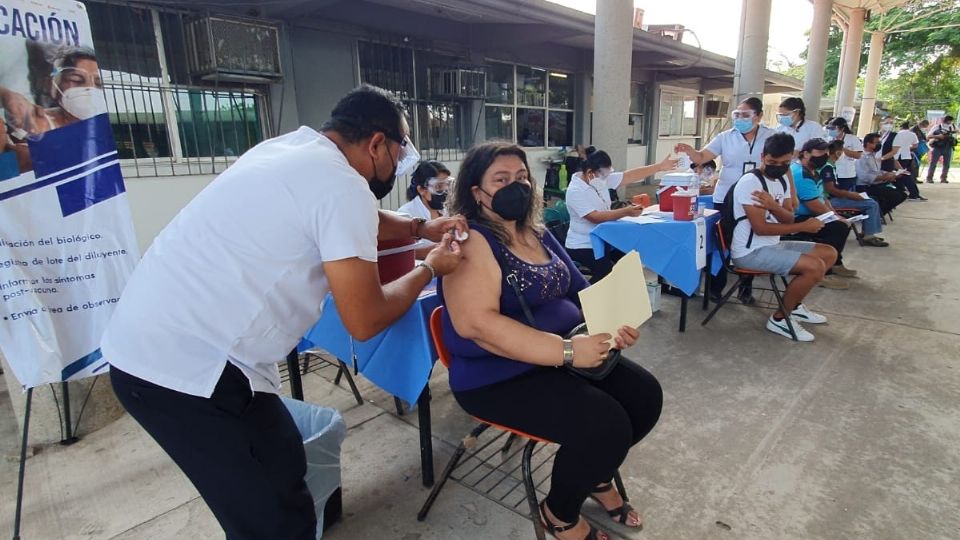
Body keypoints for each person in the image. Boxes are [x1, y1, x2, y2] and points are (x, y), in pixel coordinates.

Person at [101, 85, 467, 539]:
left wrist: (419, 226)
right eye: (399, 149)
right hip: (182, 369)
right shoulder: (342, 186)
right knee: (269, 518)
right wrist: (428, 268)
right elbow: (365, 318)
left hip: (164, 341)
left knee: (285, 458)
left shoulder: (291, 148)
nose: (399, 163)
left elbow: (361, 223)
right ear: (376, 143)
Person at [440, 141, 662, 540]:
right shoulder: (472, 242)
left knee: (645, 397)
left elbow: (579, 291)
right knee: (606, 425)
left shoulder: (536, 233)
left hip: (561, 355)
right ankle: (559, 513)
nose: (517, 186)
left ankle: (591, 477)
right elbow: (478, 325)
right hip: (498, 374)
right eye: (502, 180)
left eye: (522, 177)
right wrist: (565, 351)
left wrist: (614, 324)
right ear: (477, 192)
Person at [729, 133, 836, 341]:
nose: (778, 167)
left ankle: (794, 307)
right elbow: (760, 228)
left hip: (773, 244)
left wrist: (772, 206)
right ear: (763, 156)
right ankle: (780, 319)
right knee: (815, 267)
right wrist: (803, 225)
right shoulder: (751, 182)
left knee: (828, 253)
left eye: (784, 163)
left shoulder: (781, 180)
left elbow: (788, 217)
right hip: (750, 252)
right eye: (772, 162)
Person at [675, 97, 777, 302]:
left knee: (751, 241)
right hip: (726, 198)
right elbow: (702, 156)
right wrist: (690, 151)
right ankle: (715, 287)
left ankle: (745, 288)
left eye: (745, 115)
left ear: (759, 116)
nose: (740, 119)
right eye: (737, 114)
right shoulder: (725, 137)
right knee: (722, 241)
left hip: (756, 197)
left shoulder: (771, 137)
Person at [564, 146, 677, 282]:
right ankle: (581, 299)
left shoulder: (599, 179)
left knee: (630, 260)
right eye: (604, 175)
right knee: (606, 272)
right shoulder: (575, 191)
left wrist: (659, 167)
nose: (606, 178)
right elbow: (595, 217)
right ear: (589, 172)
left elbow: (629, 176)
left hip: (605, 237)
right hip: (583, 244)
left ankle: (619, 296)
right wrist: (626, 211)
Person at [789, 138, 856, 288]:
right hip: (798, 217)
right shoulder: (800, 173)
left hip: (813, 213)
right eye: (820, 152)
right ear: (806, 153)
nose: (824, 155)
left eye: (826, 152)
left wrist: (835, 214)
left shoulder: (813, 170)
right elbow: (813, 205)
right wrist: (835, 218)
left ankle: (835, 262)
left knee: (843, 222)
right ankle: (823, 272)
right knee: (837, 227)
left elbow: (822, 196)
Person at [813, 138, 890, 247]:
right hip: (829, 201)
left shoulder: (829, 165)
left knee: (870, 200)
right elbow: (831, 189)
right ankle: (869, 236)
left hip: (830, 198)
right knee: (871, 204)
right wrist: (850, 195)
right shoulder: (827, 167)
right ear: (839, 153)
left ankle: (867, 232)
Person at [398, 160, 453, 258]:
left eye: (447, 185)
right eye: (439, 186)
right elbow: (405, 252)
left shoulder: (447, 211)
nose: (445, 191)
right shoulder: (406, 214)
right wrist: (439, 248)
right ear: (422, 190)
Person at [855, 133, 909, 215]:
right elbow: (864, 177)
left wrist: (892, 174)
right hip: (864, 186)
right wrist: (883, 177)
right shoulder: (861, 157)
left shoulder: (874, 156)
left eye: (879, 143)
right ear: (868, 144)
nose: (879, 145)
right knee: (895, 196)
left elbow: (877, 171)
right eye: (876, 143)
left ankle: (879, 212)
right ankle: (877, 214)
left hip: (876, 184)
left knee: (902, 194)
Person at [824, 117, 863, 191]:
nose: (831, 131)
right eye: (830, 128)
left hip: (847, 174)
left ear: (842, 129)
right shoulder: (829, 139)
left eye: (834, 128)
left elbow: (859, 155)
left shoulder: (852, 139)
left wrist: (841, 148)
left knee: (846, 196)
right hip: (832, 172)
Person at [926, 115, 956, 183]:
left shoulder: (952, 127)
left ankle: (943, 178)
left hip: (948, 146)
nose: (949, 122)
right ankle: (929, 178)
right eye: (948, 120)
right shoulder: (937, 127)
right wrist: (938, 136)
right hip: (938, 147)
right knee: (933, 163)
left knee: (947, 164)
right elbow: (928, 136)